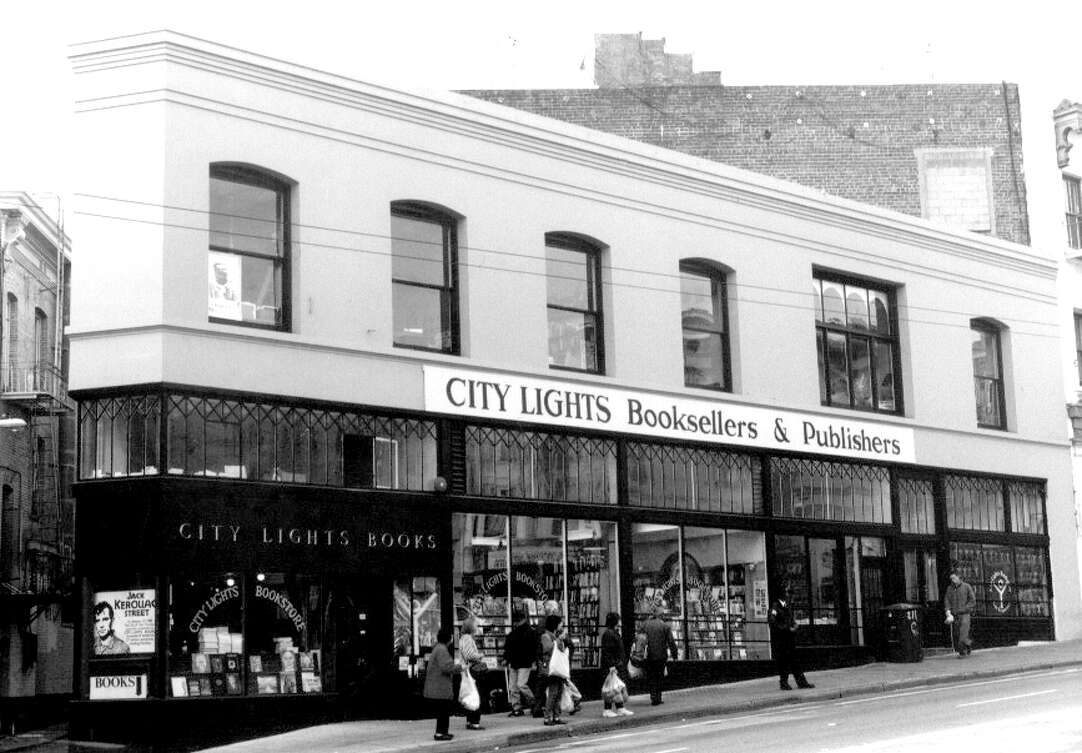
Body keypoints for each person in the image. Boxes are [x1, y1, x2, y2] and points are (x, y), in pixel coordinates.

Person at [768, 583, 814, 691]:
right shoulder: (776, 606)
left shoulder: (786, 606)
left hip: (789, 638)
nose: (789, 595)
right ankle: (784, 683)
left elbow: (789, 619)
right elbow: (772, 623)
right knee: (784, 661)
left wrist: (794, 624)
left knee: (794, 661)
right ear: (782, 594)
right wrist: (787, 629)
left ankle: (801, 682)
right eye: (787, 592)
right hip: (782, 639)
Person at [423, 628, 460, 742]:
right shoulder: (442, 650)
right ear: (448, 638)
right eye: (451, 637)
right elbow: (446, 667)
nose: (453, 639)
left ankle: (443, 732)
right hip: (440, 687)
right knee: (443, 711)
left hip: (437, 686)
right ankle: (440, 733)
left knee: (442, 711)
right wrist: (459, 667)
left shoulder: (438, 648)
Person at [502, 608, 538, 717]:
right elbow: (533, 648)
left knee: (516, 686)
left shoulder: (516, 633)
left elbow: (509, 647)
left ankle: (526, 705)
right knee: (516, 686)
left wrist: (506, 659)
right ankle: (528, 705)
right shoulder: (530, 632)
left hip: (518, 662)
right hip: (522, 662)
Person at [641, 602, 678, 706]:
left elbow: (639, 640)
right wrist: (674, 655)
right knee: (659, 676)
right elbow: (671, 642)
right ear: (660, 615)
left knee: (651, 676)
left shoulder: (644, 625)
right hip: (661, 656)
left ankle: (653, 697)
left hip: (648, 655)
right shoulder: (664, 626)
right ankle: (658, 697)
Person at [600, 611, 633, 717]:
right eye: (618, 620)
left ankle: (620, 707)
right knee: (611, 687)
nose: (620, 622)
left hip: (616, 664)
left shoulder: (612, 632)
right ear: (615, 621)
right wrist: (611, 665)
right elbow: (607, 651)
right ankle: (607, 709)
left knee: (616, 686)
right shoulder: (609, 634)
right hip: (613, 665)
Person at [538, 614, 568, 726]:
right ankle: (547, 717)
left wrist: (562, 640)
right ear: (555, 624)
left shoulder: (556, 635)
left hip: (558, 668)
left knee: (559, 692)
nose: (562, 625)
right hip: (551, 668)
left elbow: (562, 649)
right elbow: (547, 649)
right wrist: (558, 641)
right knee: (553, 693)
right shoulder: (546, 636)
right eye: (561, 623)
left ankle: (556, 716)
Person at [458, 616, 486, 730]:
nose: (477, 627)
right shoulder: (468, 638)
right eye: (475, 625)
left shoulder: (463, 638)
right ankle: (475, 721)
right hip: (472, 670)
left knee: (470, 695)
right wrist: (480, 655)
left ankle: (470, 720)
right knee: (475, 695)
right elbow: (469, 655)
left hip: (467, 670)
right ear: (471, 626)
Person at [943, 569, 977, 657]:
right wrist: (948, 611)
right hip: (955, 615)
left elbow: (972, 600)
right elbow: (947, 600)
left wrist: (965, 608)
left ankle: (962, 653)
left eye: (954, 578)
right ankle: (968, 644)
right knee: (957, 635)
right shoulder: (949, 589)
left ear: (959, 577)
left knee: (963, 634)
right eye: (951, 579)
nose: (952, 580)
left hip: (965, 614)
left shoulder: (966, 587)